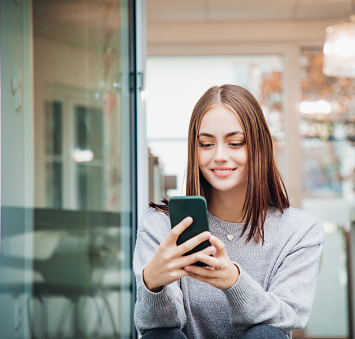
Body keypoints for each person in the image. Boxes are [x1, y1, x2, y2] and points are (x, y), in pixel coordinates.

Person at [134, 84, 324, 339]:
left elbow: (289, 316)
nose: (220, 156)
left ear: (260, 147)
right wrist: (152, 286)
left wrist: (235, 282)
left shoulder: (300, 230)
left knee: (267, 334)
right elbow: (158, 328)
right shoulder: (160, 224)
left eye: (235, 143)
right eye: (206, 144)